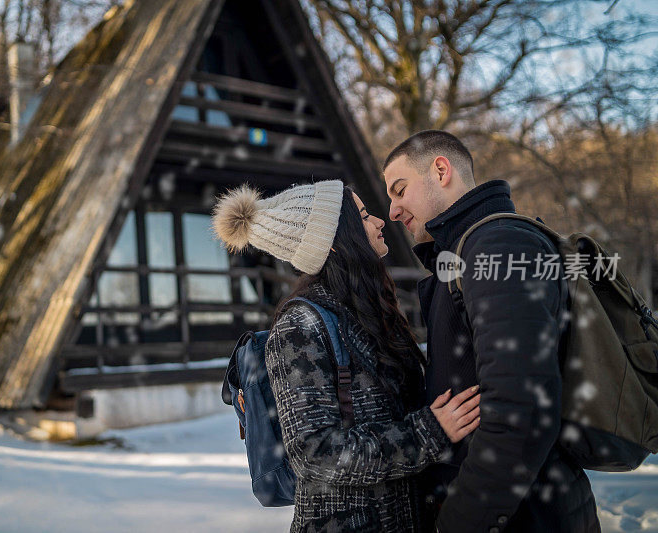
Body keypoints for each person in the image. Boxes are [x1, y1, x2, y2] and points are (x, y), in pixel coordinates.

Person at [213, 180, 480, 532]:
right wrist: (427, 433)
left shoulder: (366, 309)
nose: (380, 221)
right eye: (364, 216)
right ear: (334, 240)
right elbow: (316, 453)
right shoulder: (299, 326)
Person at [383, 130, 601, 532]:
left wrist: (460, 521)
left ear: (441, 170)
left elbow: (520, 412)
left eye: (400, 190)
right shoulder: (466, 253)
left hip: (527, 517)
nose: (393, 211)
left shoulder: (498, 247)